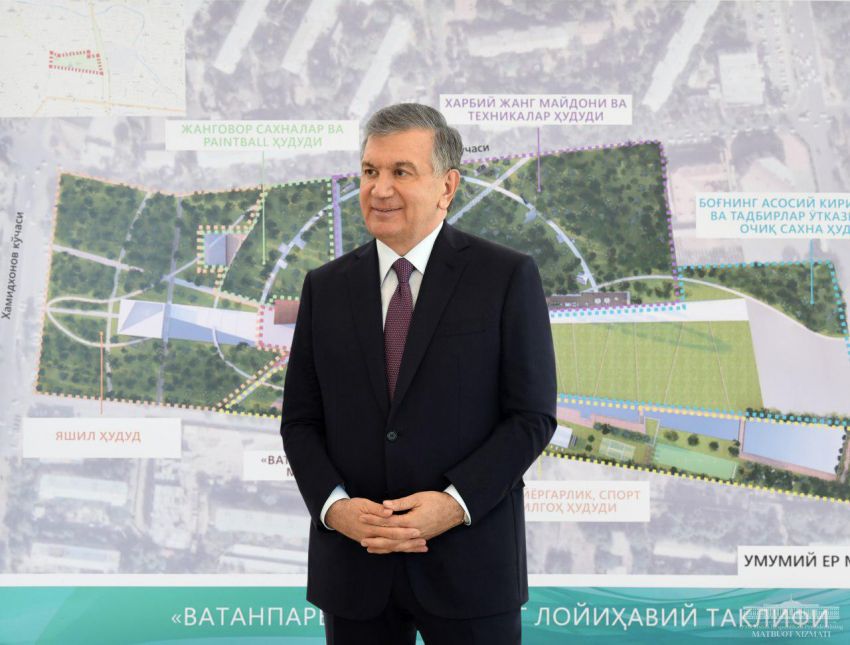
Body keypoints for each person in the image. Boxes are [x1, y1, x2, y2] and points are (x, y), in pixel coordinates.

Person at [280, 102, 556, 644]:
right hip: (355, 571)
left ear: (447, 186)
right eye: (370, 171)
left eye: (400, 172)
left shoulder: (506, 277)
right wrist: (335, 509)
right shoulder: (325, 288)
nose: (379, 189)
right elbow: (300, 421)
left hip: (470, 568)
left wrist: (453, 504)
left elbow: (531, 417)